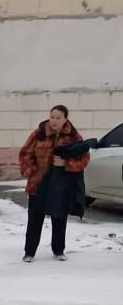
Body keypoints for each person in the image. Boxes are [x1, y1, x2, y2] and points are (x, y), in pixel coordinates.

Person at [18, 105, 90, 262]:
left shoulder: (73, 136)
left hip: (61, 184)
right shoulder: (39, 134)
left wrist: (66, 163)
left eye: (58, 118)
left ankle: (58, 250)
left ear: (65, 118)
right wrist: (32, 171)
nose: (54, 121)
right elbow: (25, 154)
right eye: (52, 117)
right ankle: (29, 252)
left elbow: (84, 159)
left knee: (59, 218)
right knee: (35, 218)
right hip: (39, 182)